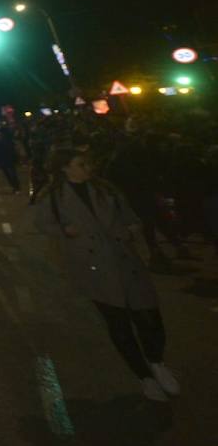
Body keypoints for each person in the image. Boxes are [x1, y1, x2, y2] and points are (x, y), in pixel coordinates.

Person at [34, 144, 180, 402]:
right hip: (94, 266)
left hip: (125, 259)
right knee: (119, 324)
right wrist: (65, 231)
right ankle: (144, 376)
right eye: (80, 164)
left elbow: (130, 216)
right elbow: (43, 224)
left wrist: (132, 228)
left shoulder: (105, 189)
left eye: (87, 163)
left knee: (149, 317)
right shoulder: (53, 196)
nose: (87, 168)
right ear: (65, 168)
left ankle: (157, 362)